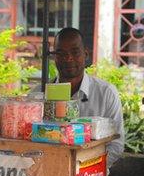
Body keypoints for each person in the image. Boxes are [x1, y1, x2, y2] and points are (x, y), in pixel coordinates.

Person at [33, 27, 124, 167]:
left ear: (86, 54)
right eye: (61, 53)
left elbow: (116, 145)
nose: (68, 58)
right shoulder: (38, 95)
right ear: (54, 57)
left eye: (75, 52)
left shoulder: (106, 93)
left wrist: (84, 169)